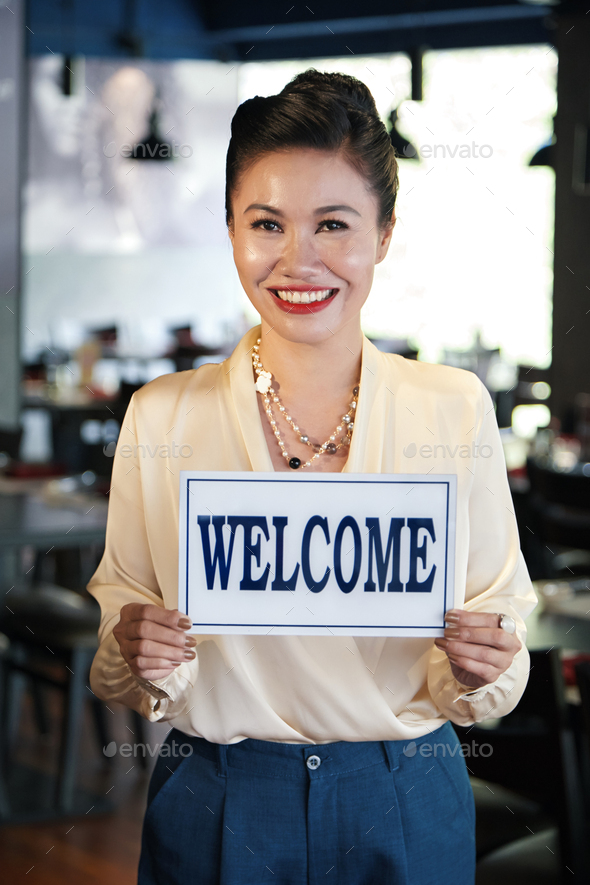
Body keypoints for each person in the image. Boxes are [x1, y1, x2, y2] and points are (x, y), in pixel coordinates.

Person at [88, 70, 537, 885]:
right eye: (268, 223)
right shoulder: (161, 417)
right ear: (231, 227)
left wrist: (486, 663)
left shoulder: (452, 407)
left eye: (334, 223)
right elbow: (119, 640)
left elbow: (501, 632)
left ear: (385, 233)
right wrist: (137, 645)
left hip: (405, 790)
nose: (299, 260)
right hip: (219, 793)